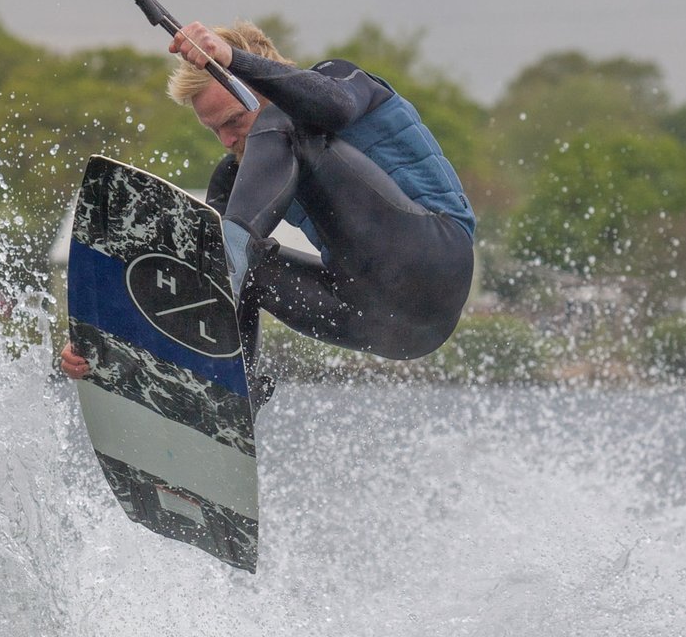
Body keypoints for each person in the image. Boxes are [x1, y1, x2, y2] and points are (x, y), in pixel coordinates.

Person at [60, 20, 477, 389]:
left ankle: (230, 265)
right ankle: (224, 399)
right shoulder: (237, 173)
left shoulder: (341, 80)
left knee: (279, 128)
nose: (226, 141)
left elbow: (333, 106)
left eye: (232, 122)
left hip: (435, 262)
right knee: (241, 270)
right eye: (213, 130)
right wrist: (108, 338)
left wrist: (231, 58)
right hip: (393, 328)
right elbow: (193, 269)